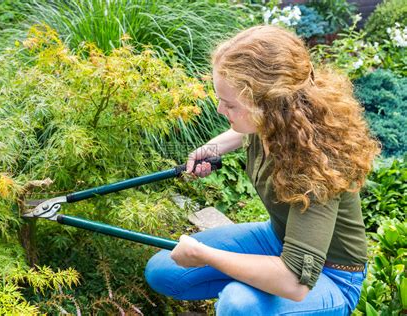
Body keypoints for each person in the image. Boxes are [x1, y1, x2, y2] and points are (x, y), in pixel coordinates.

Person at [144, 25, 381, 315]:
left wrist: (205, 255)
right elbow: (241, 133)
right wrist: (213, 148)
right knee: (164, 270)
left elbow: (295, 282)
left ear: (268, 104)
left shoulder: (317, 164)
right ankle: (257, 286)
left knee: (238, 303)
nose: (220, 110)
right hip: (276, 240)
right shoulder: (278, 122)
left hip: (329, 277)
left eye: (229, 103)